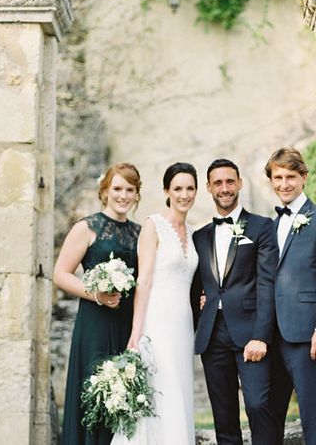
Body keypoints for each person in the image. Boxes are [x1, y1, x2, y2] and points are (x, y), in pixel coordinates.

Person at [54, 163, 142, 445]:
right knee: (96, 394)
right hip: (95, 323)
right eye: (117, 188)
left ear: (137, 194)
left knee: (126, 396)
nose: (123, 195)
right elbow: (60, 274)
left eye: (130, 189)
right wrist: (97, 294)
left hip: (128, 323)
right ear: (104, 191)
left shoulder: (141, 232)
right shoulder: (87, 227)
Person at [265, 147, 316, 445]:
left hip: (308, 338)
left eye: (290, 177)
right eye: (277, 177)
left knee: (314, 416)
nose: (284, 184)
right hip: (273, 337)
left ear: (303, 177)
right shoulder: (271, 225)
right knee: (267, 416)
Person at [192, 158, 279, 445]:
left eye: (230, 181)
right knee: (224, 416)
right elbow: (194, 286)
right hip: (212, 334)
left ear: (239, 183)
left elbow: (267, 284)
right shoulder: (199, 236)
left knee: (258, 405)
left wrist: (261, 336)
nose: (225, 188)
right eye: (218, 183)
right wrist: (200, 309)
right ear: (208, 188)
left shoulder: (261, 227)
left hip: (250, 333)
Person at [114, 162, 200, 445]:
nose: (184, 194)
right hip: (157, 321)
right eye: (178, 188)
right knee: (161, 390)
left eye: (190, 188)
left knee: (179, 392)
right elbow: (144, 281)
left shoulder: (193, 231)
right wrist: (136, 333)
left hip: (184, 325)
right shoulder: (154, 225)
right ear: (167, 191)